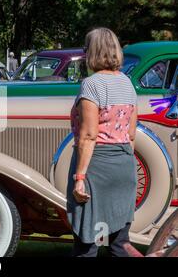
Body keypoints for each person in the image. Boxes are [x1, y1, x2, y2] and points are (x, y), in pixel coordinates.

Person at [67, 27, 138, 257]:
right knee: (119, 244)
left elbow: (89, 135)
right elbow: (131, 133)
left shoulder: (92, 84)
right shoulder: (128, 83)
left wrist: (79, 178)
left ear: (92, 52)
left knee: (87, 243)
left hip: (96, 169)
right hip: (125, 166)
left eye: (86, 49)